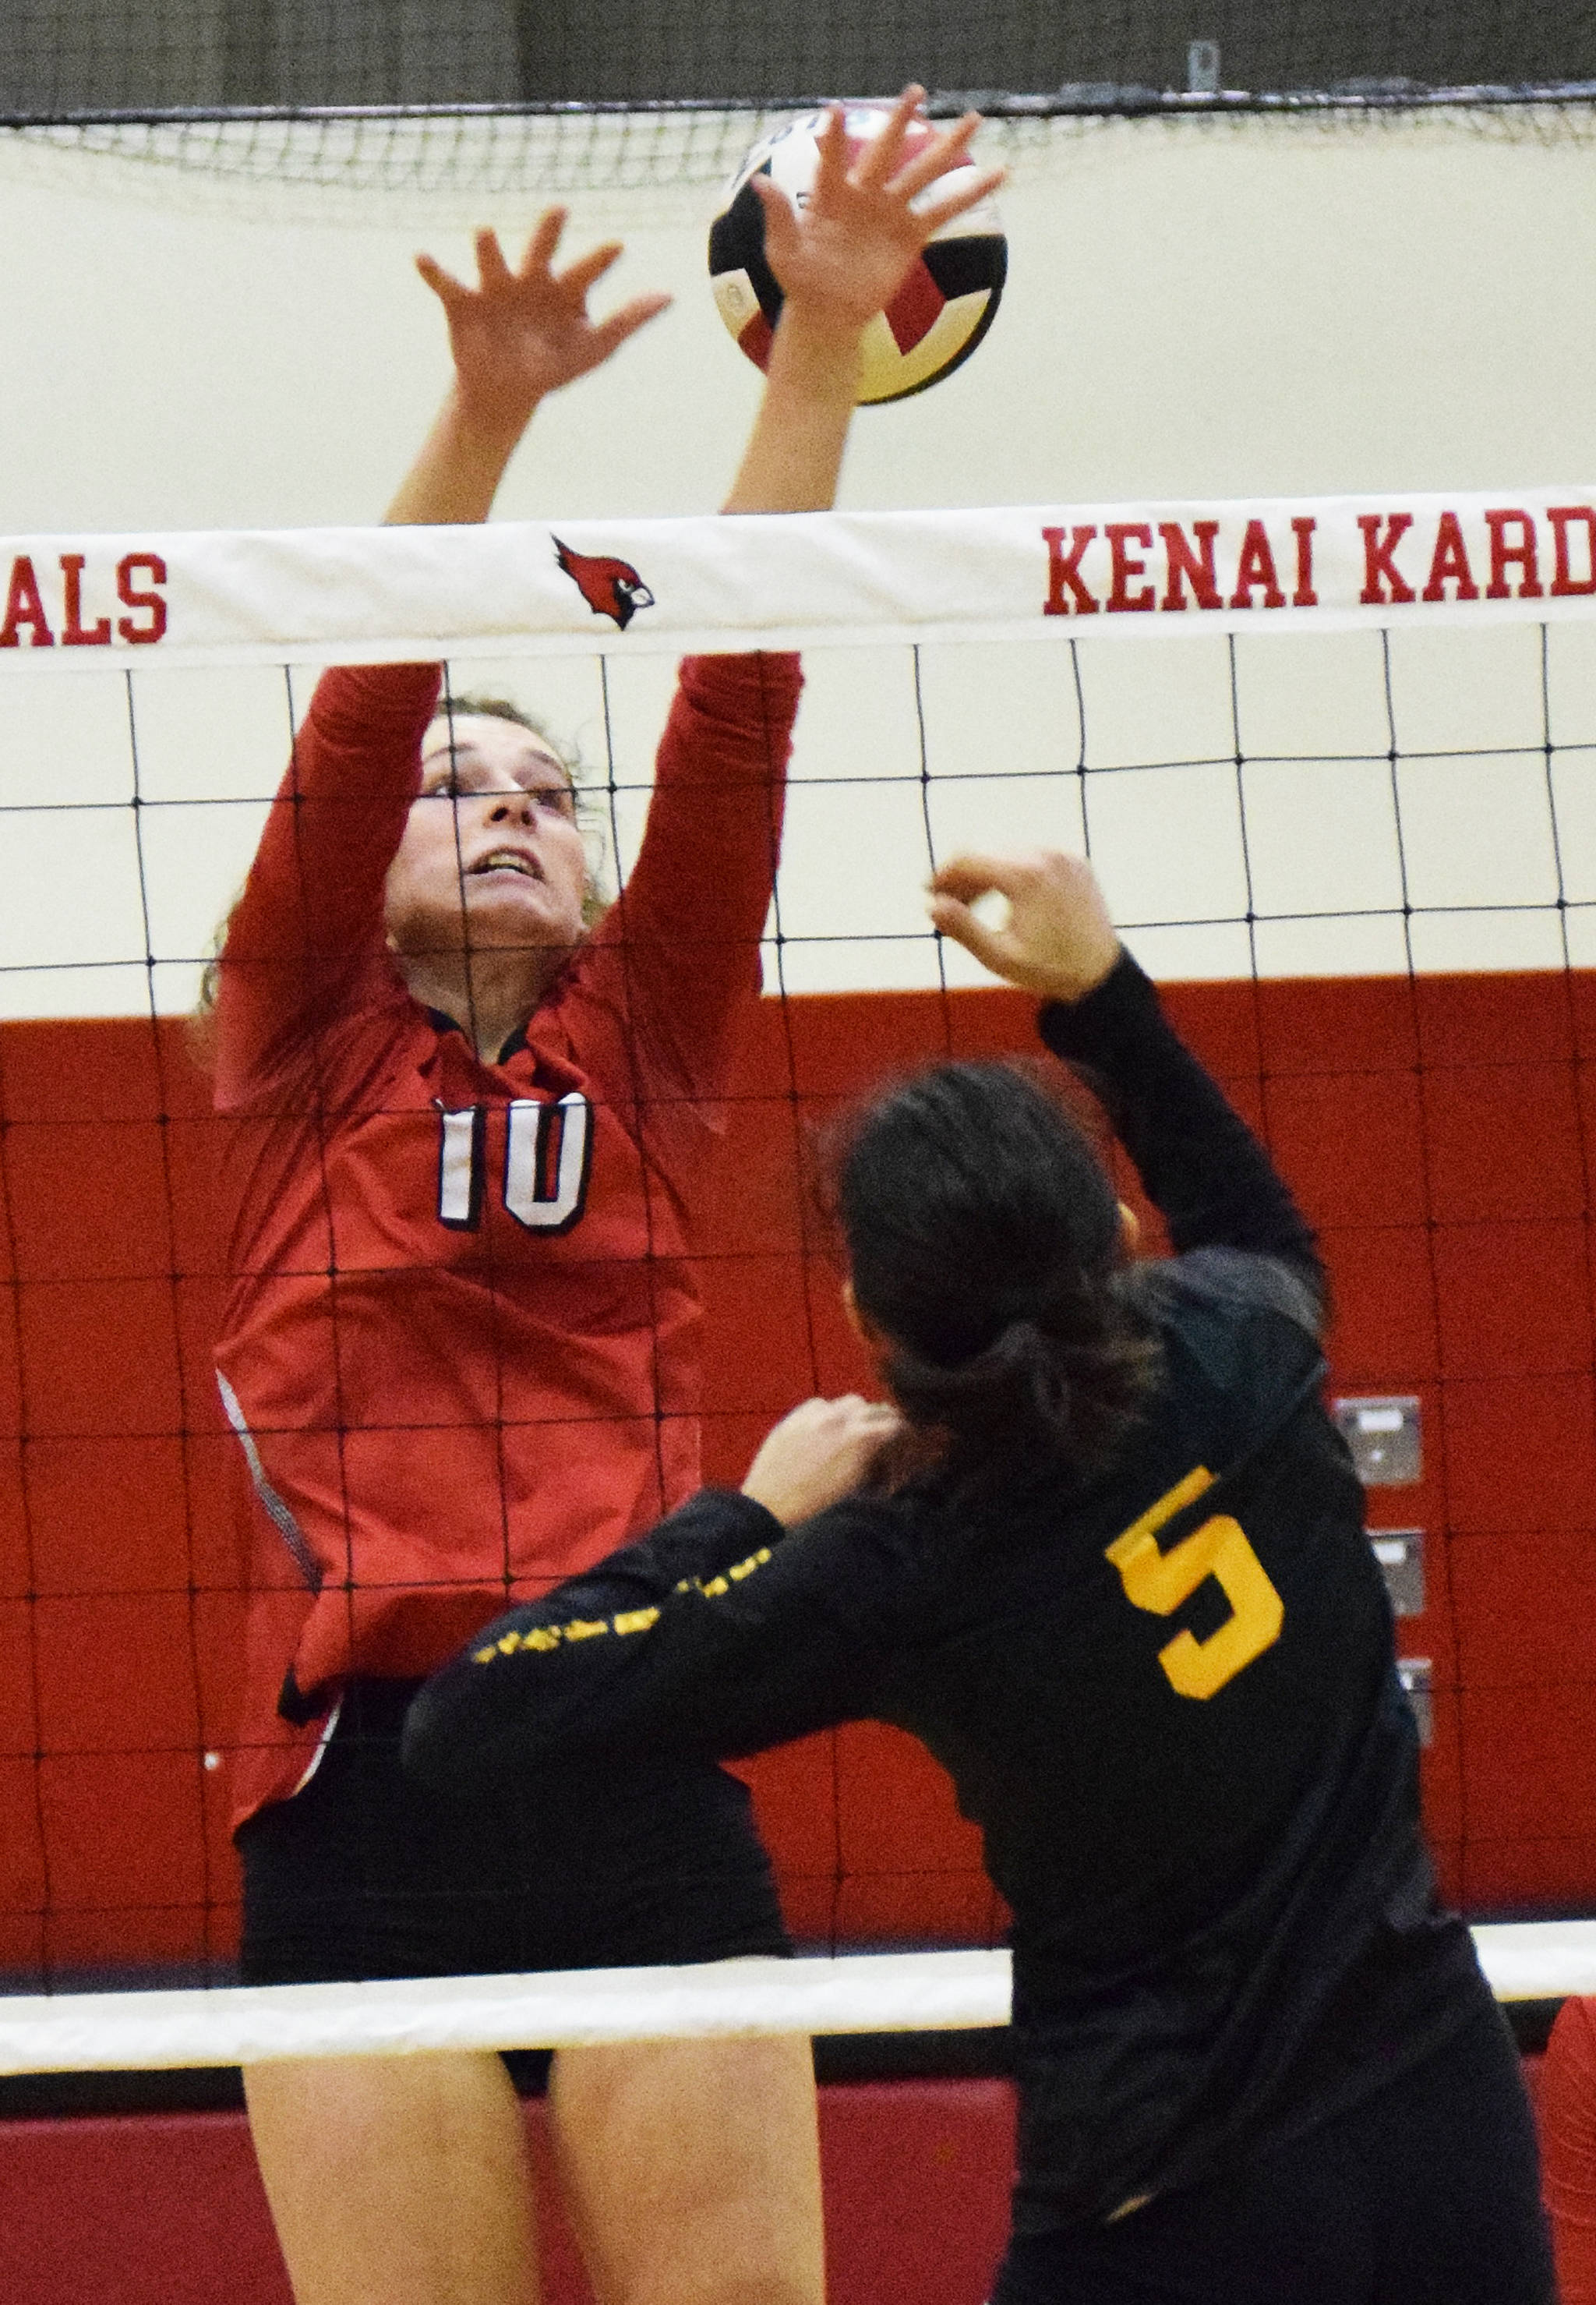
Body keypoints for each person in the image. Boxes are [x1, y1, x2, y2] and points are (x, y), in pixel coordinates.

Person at [210, 92, 1004, 2305]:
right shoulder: (296, 1037)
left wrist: (820, 337)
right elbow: (355, 706)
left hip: (647, 1745)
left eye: (547, 787)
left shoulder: (643, 1035)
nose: (508, 805)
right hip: (369, 1797)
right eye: (461, 783)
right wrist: (483, 417)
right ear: (362, 878)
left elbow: (739, 690)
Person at [406, 848, 1555, 2303]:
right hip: (1441, 2114)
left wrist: (744, 1517)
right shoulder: (1240, 1350)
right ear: (1120, 1243)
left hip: (1170, 2191)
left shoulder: (896, 1562)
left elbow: (470, 1720)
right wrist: (1098, 991)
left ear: (866, 1324)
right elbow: (1264, 1235)